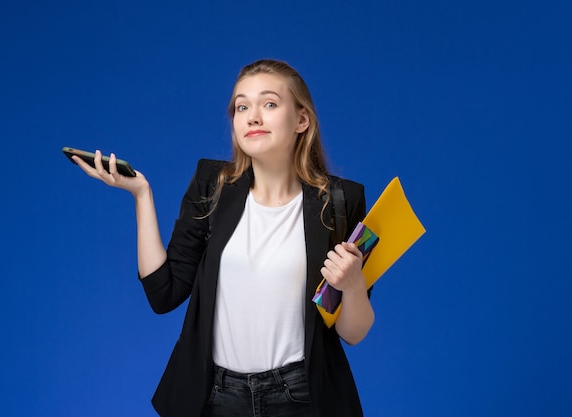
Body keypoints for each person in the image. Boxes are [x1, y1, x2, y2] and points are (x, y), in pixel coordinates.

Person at [72, 59, 375, 417]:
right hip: (217, 397)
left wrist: (353, 285)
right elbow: (163, 294)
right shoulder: (211, 185)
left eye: (270, 104)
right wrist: (141, 194)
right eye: (242, 106)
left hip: (302, 397)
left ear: (301, 120)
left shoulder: (341, 202)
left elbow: (352, 333)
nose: (253, 116)